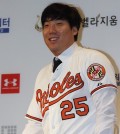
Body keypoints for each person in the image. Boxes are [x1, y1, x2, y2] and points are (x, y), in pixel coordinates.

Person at [22, 2, 118, 134]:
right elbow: (35, 124)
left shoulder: (92, 59)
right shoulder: (42, 74)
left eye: (59, 24)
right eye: (46, 25)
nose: (51, 30)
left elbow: (105, 112)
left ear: (74, 29)